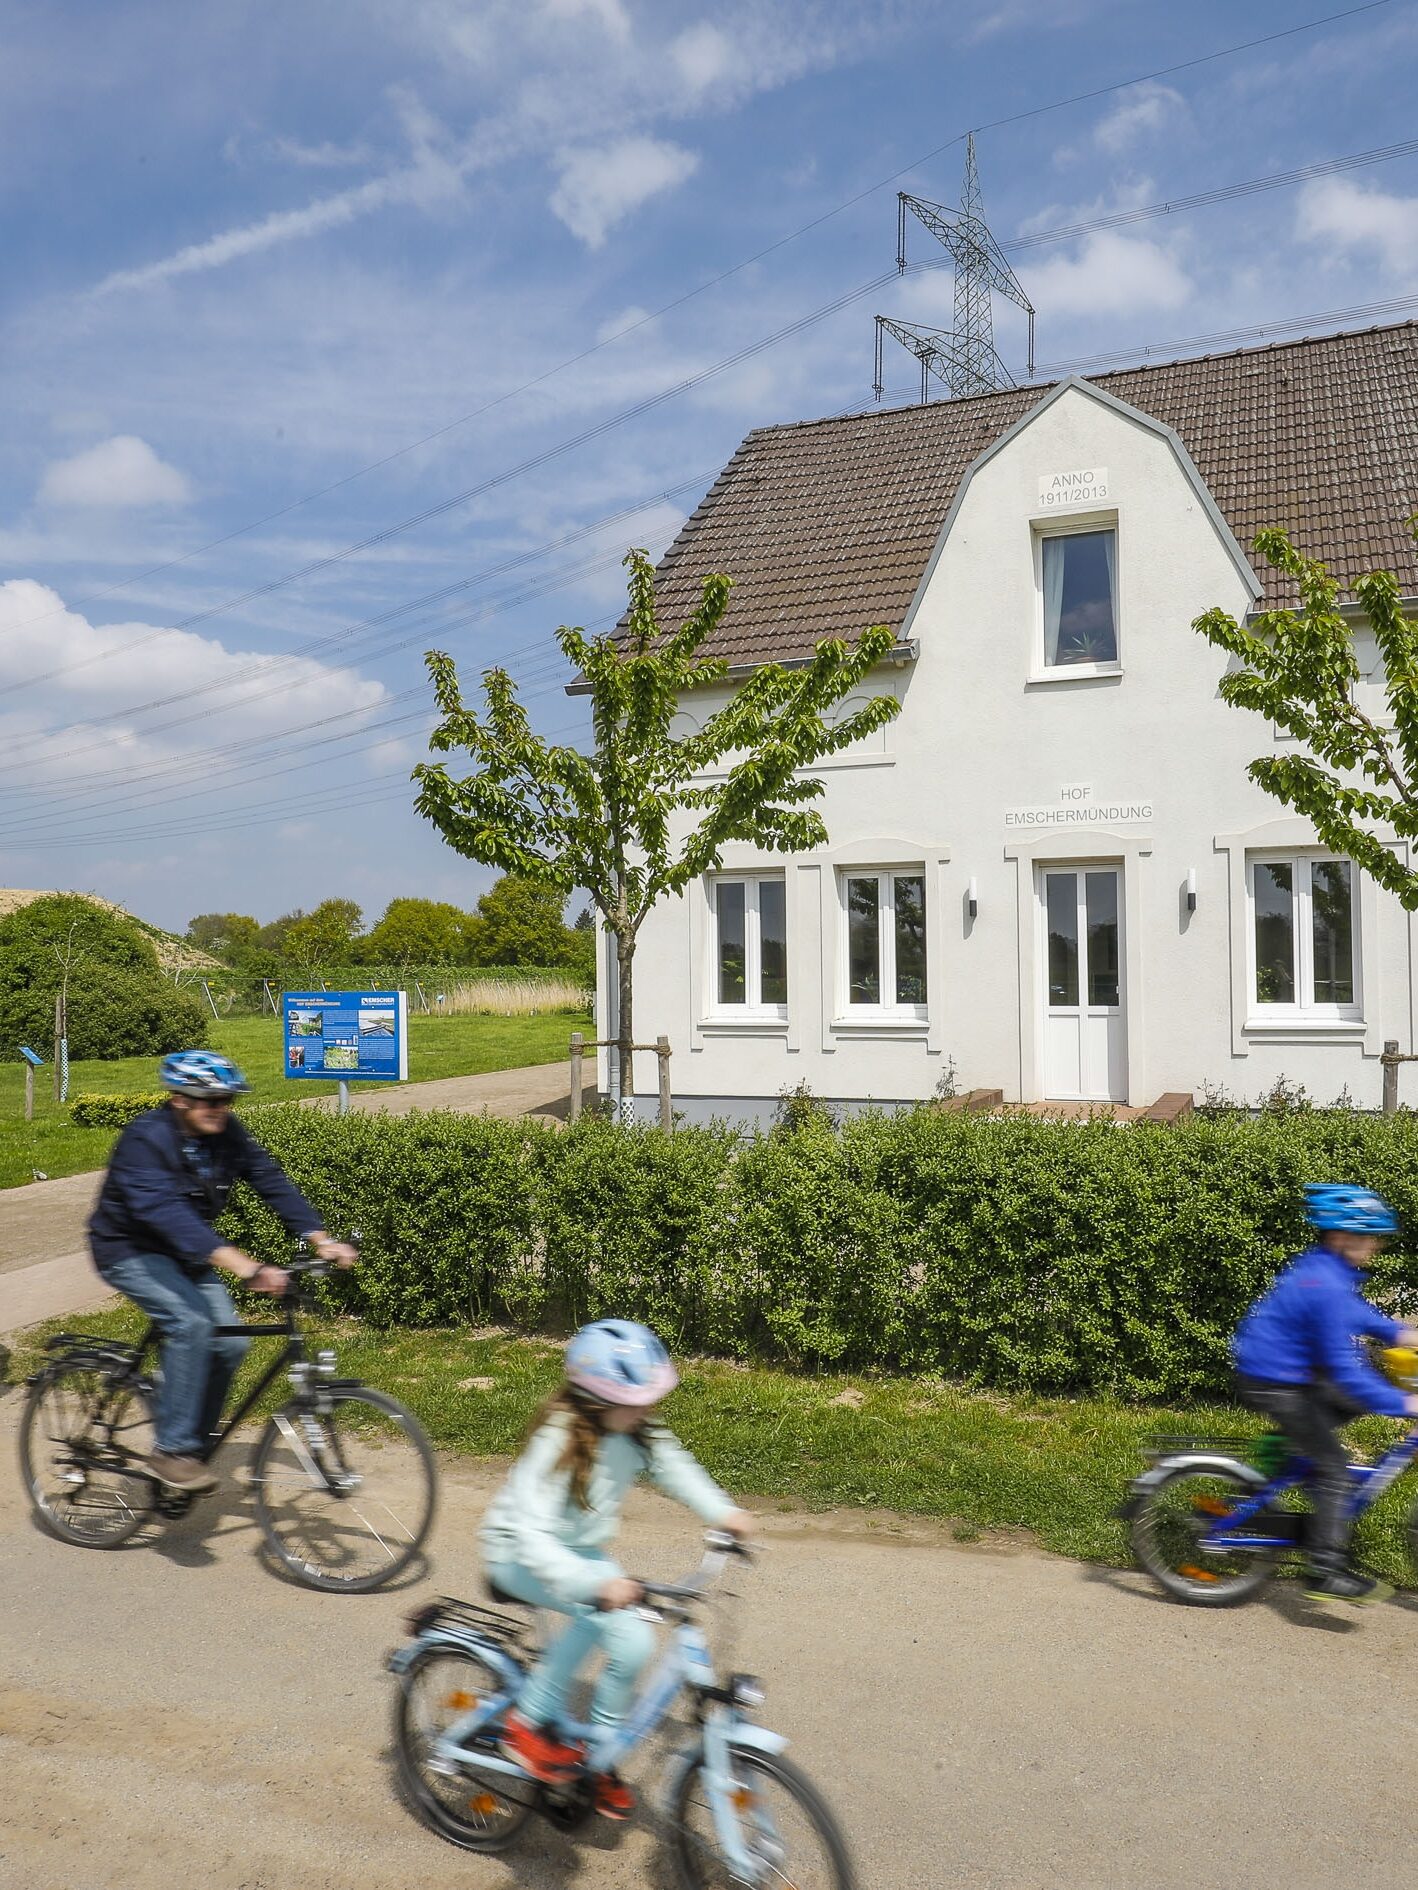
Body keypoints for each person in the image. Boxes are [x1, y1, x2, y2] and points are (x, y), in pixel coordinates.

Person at [480, 1319, 753, 1821]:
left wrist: (723, 1513)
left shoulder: (634, 1429)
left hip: (580, 1554)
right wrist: (594, 1583)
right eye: (640, 1397)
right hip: (517, 1552)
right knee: (595, 1616)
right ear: (599, 1398)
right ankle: (526, 1722)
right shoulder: (557, 1441)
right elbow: (533, 1534)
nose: (650, 1407)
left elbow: (675, 1466)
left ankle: (599, 1755)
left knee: (635, 1643)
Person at [87, 1049, 357, 1494]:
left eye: (227, 1100)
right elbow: (165, 1212)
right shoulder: (145, 1139)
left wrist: (319, 1238)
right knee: (191, 1323)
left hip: (184, 1254)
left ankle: (193, 1439)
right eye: (210, 1099)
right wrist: (246, 1267)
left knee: (229, 1343)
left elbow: (269, 1179)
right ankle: (171, 1452)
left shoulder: (225, 1133)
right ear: (179, 1100)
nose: (221, 1108)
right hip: (129, 1250)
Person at [1233, 1182, 1418, 1605]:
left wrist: (1408, 1334)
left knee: (1348, 1403)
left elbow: (1364, 1318)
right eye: (1367, 1236)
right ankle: (1325, 1568)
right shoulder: (1326, 1284)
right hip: (1274, 1381)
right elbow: (1346, 1372)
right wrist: (1406, 1403)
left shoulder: (1328, 1272)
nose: (1374, 1246)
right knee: (1335, 1466)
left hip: (1292, 1372)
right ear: (1339, 1236)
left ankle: (1290, 1452)